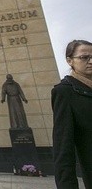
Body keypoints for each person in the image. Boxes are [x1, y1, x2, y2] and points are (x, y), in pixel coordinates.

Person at [52, 39, 92, 189]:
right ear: (70, 60)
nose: (91, 61)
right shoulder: (65, 92)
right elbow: (63, 147)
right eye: (84, 57)